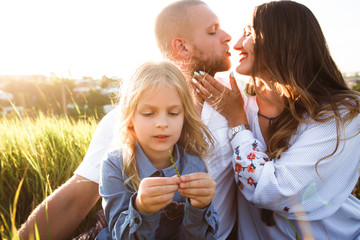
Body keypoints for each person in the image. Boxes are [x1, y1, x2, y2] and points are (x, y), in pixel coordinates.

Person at [18, 1, 237, 239]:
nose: (227, 36)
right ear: (182, 47)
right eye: (212, 31)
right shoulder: (120, 120)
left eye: (174, 113)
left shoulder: (240, 105)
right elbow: (75, 199)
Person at [193, 1, 360, 239]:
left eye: (248, 33)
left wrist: (238, 124)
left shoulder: (343, 114)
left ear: (281, 39)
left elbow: (277, 191)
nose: (238, 44)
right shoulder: (242, 108)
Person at [96, 61, 217, 239]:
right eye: (148, 113)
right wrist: (141, 209)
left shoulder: (194, 165)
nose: (162, 123)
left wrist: (200, 207)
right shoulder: (115, 164)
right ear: (130, 117)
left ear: (185, 116)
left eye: (173, 113)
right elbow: (119, 235)